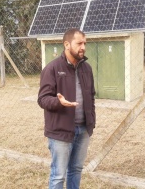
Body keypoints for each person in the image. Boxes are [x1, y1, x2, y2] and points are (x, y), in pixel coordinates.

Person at [37, 28, 96, 189]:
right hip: (60, 131)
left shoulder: (87, 69)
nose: (83, 47)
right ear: (67, 44)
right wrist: (59, 102)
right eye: (79, 43)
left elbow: (91, 96)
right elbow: (42, 99)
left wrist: (91, 122)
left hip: (83, 130)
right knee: (58, 175)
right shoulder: (52, 68)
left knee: (76, 170)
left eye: (85, 43)